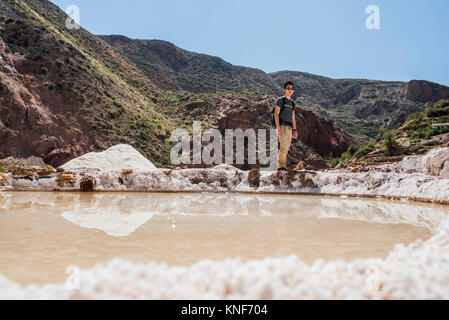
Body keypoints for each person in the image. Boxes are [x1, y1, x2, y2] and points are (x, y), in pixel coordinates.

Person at [274, 81, 298, 171]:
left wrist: (295, 130)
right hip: (282, 126)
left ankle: (282, 166)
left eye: (292, 88)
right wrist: (278, 128)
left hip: (289, 128)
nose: (290, 90)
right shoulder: (280, 100)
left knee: (287, 147)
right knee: (283, 147)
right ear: (284, 90)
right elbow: (276, 114)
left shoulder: (292, 103)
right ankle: (281, 167)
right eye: (288, 88)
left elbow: (293, 117)